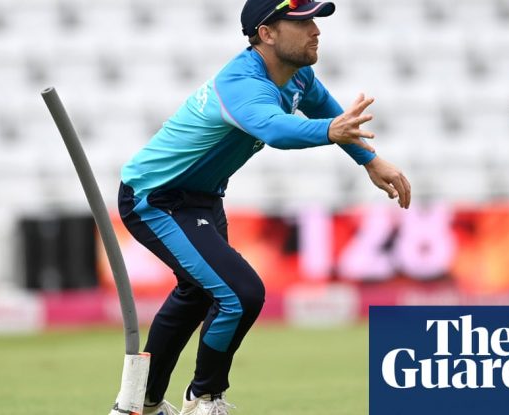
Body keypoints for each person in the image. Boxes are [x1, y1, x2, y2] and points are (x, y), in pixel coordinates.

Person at [118, 0, 412, 414]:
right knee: (241, 294)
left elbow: (325, 108)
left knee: (197, 294)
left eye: (314, 21)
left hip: (201, 197)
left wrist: (370, 160)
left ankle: (139, 404)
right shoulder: (242, 82)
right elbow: (275, 129)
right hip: (156, 197)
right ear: (266, 34)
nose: (316, 31)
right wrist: (330, 131)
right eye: (302, 23)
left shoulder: (298, 75)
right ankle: (203, 398)